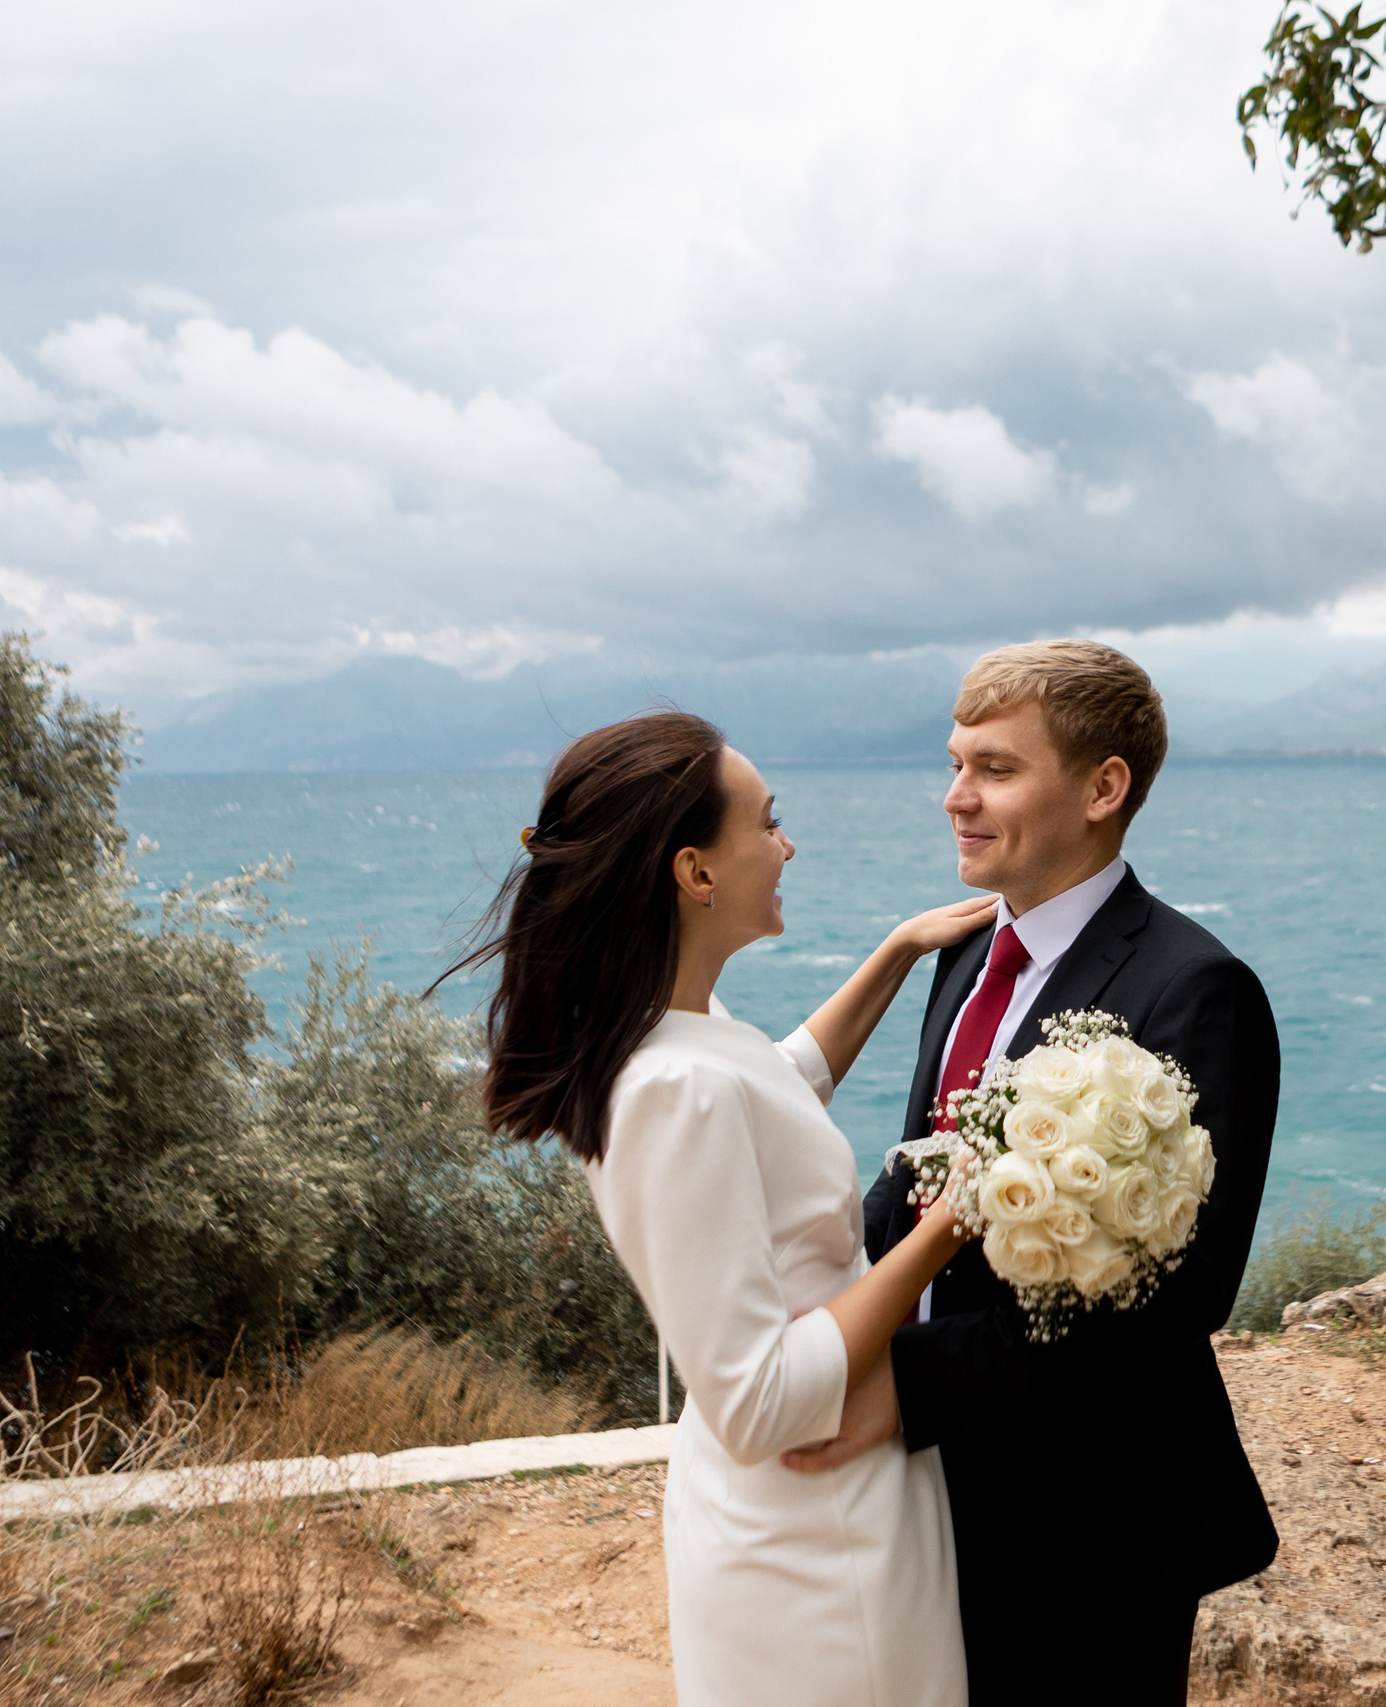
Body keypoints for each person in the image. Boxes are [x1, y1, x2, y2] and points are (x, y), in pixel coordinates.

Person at [464, 710, 996, 1707]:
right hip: (814, 1546)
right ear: (695, 872)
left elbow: (776, 1088)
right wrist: (951, 1223)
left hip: (814, 1517)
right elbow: (758, 1402)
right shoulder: (672, 1089)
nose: (787, 845)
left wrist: (896, 952)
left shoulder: (674, 1030)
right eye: (767, 821)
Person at [786, 639, 1282, 1707]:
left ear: (1104, 789)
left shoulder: (1197, 988)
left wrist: (904, 1390)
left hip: (1092, 1527)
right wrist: (818, 1322)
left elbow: (1183, 1293)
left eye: (996, 769)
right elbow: (919, 1178)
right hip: (933, 1495)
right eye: (955, 765)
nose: (956, 798)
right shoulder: (965, 952)